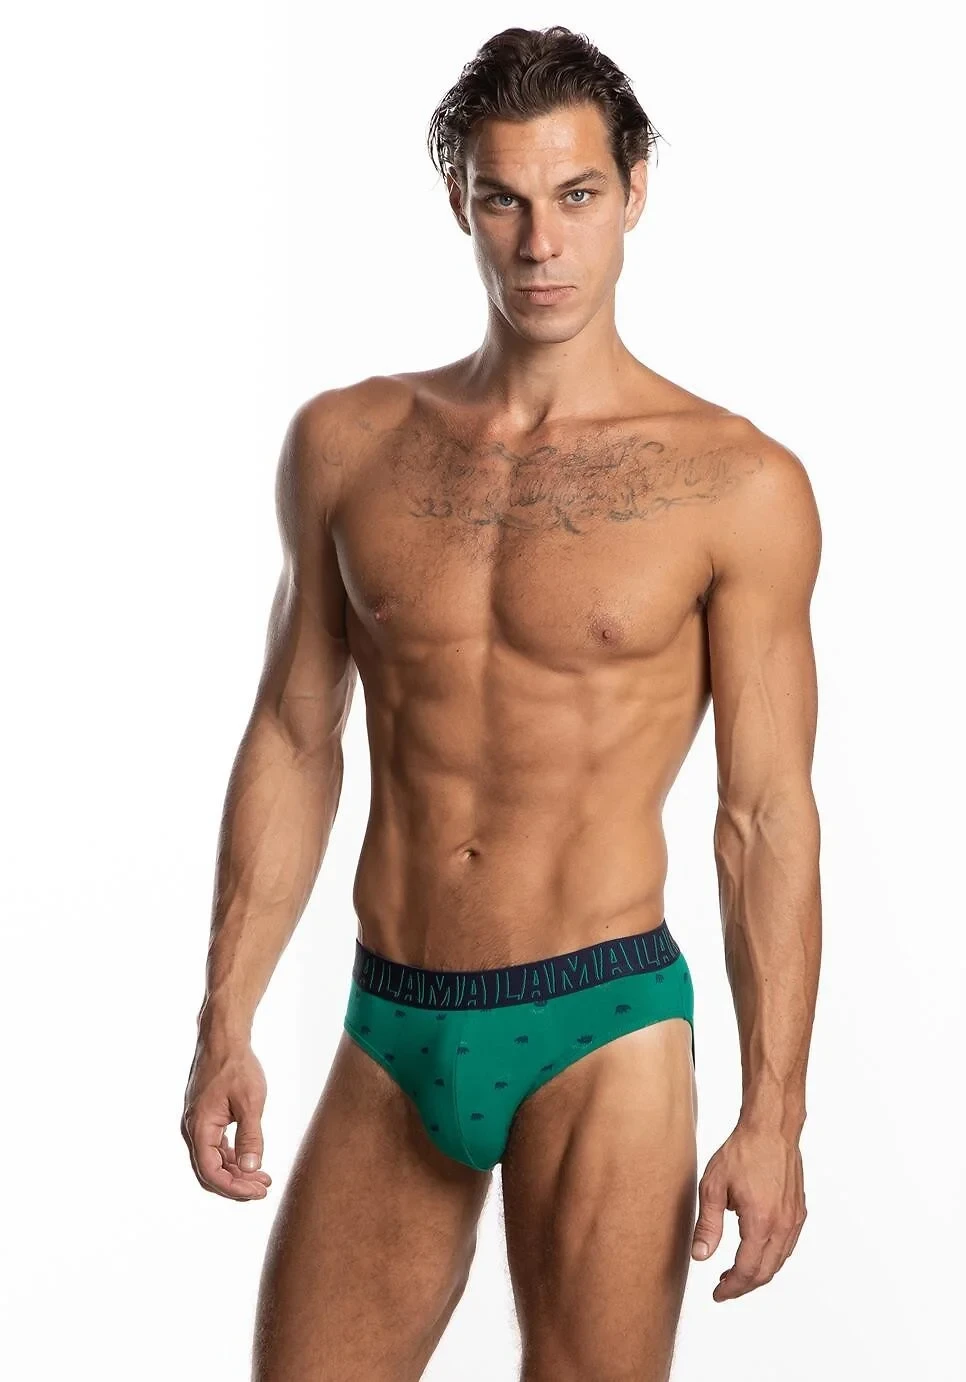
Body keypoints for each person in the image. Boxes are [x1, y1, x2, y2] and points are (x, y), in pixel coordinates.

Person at [181, 24, 822, 1381]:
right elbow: (294, 737)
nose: (540, 243)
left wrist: (774, 1113)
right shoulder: (349, 443)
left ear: (634, 190)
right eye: (503, 199)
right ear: (458, 201)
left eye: (576, 195)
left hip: (601, 1018)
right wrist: (225, 1015)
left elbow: (763, 815)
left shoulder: (734, 483)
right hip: (392, 1018)